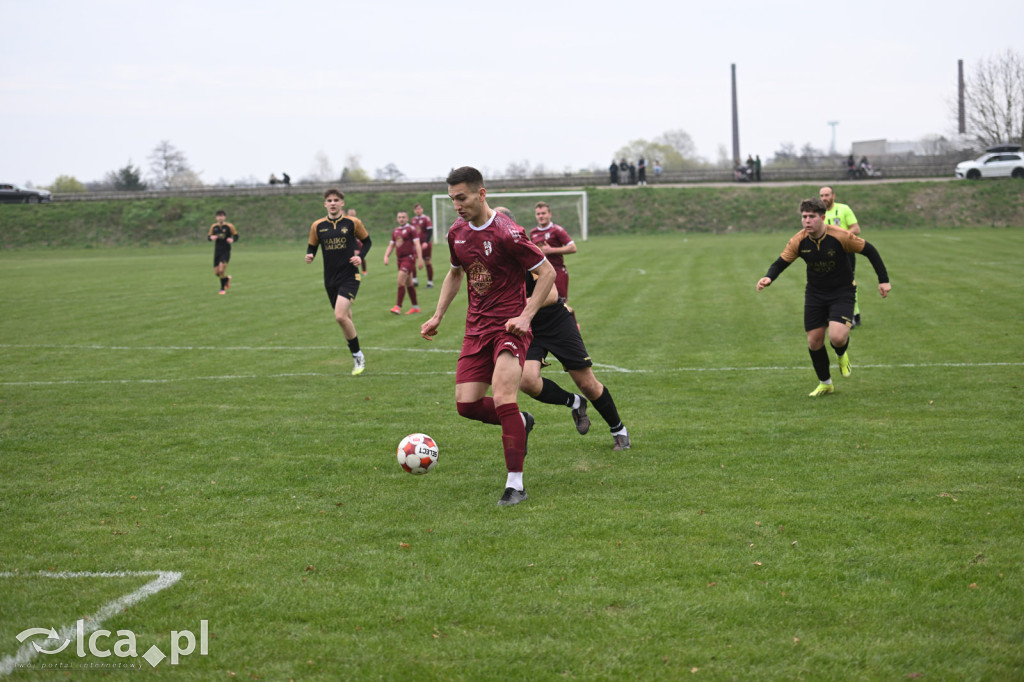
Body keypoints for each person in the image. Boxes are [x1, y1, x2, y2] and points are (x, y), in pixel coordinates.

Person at [420, 166, 555, 507]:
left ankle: (516, 485)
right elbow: (454, 274)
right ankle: (520, 422)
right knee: (466, 406)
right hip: (475, 328)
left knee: (503, 396)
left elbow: (547, 272)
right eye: (452, 199)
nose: (456, 205)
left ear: (481, 193)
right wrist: (437, 315)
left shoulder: (508, 233)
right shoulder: (456, 232)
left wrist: (525, 316)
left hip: (508, 328)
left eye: (461, 198)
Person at [496, 207, 630, 451]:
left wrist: (518, 308)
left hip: (555, 321)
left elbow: (552, 294)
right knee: (527, 381)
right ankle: (574, 403)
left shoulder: (527, 252)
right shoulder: (493, 259)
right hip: (528, 327)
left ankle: (618, 429)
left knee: (587, 383)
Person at [755, 197, 891, 397]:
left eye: (811, 217)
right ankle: (825, 383)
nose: (807, 221)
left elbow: (869, 250)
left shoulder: (840, 236)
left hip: (842, 291)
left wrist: (883, 280)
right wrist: (768, 277)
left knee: (836, 337)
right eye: (804, 217)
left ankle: (841, 353)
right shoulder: (799, 240)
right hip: (815, 293)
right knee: (814, 342)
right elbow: (780, 262)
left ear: (822, 218)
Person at [305, 189, 372, 376]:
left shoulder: (352, 223)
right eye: (329, 200)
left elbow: (367, 242)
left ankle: (358, 356)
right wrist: (310, 254)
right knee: (346, 319)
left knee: (340, 316)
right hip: (330, 279)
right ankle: (355, 352)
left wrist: (361, 257)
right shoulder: (317, 226)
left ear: (342, 203)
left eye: (336, 200)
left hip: (350, 276)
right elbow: (312, 245)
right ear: (325, 204)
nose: (333, 203)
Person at [819, 186, 863, 327]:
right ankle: (831, 316)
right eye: (822, 195)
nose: (824, 198)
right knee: (826, 285)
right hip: (826, 255)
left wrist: (841, 238)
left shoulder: (844, 209)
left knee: (848, 284)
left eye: (827, 195)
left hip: (845, 253)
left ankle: (853, 315)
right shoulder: (819, 214)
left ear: (833, 196)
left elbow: (856, 229)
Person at [529, 201, 576, 300]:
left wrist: (551, 250)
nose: (541, 216)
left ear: (550, 214)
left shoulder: (557, 230)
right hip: (541, 274)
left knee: (562, 305)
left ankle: (570, 316)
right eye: (538, 214)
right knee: (543, 304)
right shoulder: (533, 232)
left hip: (558, 272)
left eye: (543, 213)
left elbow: (573, 247)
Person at [383, 210, 424, 314]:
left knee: (400, 281)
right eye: (399, 217)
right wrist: (386, 256)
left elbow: (417, 244)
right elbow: (391, 245)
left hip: (409, 258)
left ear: (407, 218)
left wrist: (420, 259)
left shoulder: (411, 229)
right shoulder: (396, 231)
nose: (401, 219)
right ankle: (415, 307)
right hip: (399, 259)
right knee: (409, 283)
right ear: (397, 219)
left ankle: (398, 306)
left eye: (403, 217)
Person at [207, 210, 238, 295]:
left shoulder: (229, 226)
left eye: (222, 216)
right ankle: (226, 279)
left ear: (225, 217)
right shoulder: (214, 227)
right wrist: (211, 238)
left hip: (226, 250)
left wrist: (233, 240)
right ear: (216, 217)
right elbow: (209, 237)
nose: (220, 217)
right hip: (217, 251)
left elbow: (236, 236)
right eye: (218, 216)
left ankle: (222, 289)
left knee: (221, 270)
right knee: (216, 273)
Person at [411, 203, 434, 287]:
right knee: (412, 260)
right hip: (415, 245)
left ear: (422, 209)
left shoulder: (426, 219)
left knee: (427, 262)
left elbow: (430, 231)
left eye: (419, 209)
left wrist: (426, 242)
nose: (418, 210)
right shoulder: (413, 220)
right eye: (416, 209)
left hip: (425, 244)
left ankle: (430, 282)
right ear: (414, 211)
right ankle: (414, 280)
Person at [347, 208, 368, 274]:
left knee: (360, 256)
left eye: (352, 213)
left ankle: (364, 271)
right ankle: (351, 272)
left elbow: (362, 232)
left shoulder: (358, 221)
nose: (352, 214)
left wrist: (359, 239)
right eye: (350, 213)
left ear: (355, 213)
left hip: (357, 241)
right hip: (349, 242)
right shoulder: (346, 221)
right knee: (349, 257)